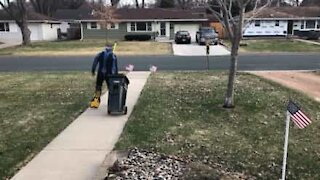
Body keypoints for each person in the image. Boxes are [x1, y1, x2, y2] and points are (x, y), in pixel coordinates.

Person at [90, 43, 118, 108]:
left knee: (98, 87)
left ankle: (95, 102)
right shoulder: (113, 56)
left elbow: (95, 62)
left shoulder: (100, 54)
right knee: (111, 88)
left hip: (100, 73)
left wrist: (93, 70)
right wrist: (115, 75)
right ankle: (111, 102)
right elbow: (114, 67)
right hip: (109, 75)